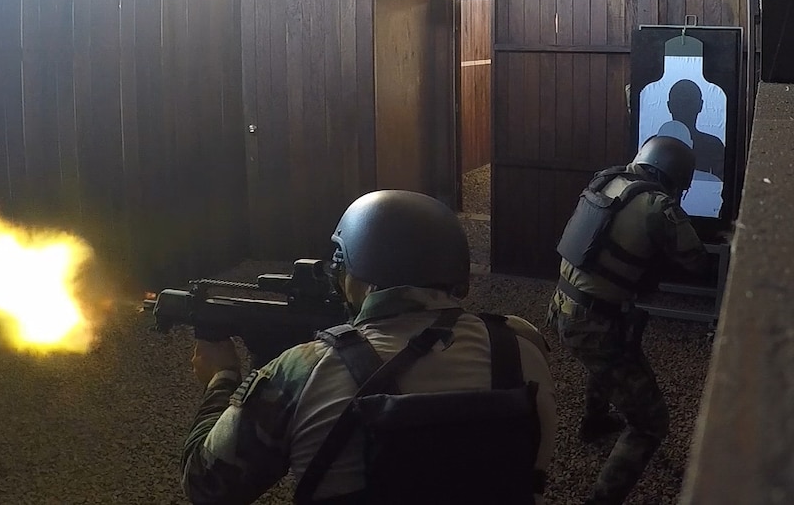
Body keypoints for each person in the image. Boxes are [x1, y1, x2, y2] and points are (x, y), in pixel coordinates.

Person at [181, 190, 557, 504]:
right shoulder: (522, 344)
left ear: (355, 268)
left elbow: (205, 486)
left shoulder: (302, 371)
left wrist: (222, 378)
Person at [549, 135, 712, 505]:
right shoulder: (659, 206)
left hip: (563, 307)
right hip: (595, 324)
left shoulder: (606, 180)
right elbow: (697, 262)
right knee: (650, 424)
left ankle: (594, 421)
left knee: (608, 355)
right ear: (672, 176)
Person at [666, 79, 725, 180]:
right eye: (679, 103)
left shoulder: (651, 145)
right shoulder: (713, 146)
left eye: (688, 102)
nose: (683, 108)